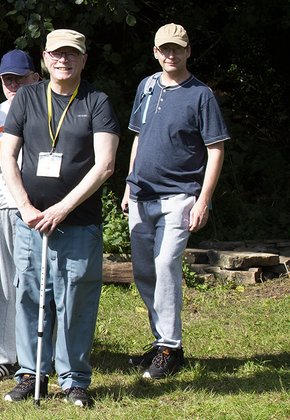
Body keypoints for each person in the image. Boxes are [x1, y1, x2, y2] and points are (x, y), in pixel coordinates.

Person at [0, 29, 119, 408]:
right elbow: (7, 157)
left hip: (79, 221)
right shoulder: (28, 98)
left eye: (71, 54)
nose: (63, 60)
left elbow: (105, 165)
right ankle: (31, 374)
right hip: (31, 221)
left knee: (76, 299)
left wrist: (62, 208)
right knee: (31, 295)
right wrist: (26, 208)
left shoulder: (97, 101)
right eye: (56, 53)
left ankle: (74, 379)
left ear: (83, 59)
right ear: (44, 57)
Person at [122, 23, 229, 380]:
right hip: (140, 196)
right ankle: (160, 344)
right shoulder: (147, 86)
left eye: (177, 49)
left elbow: (215, 150)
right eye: (164, 49)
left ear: (188, 52)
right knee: (144, 272)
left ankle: (170, 347)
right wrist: (127, 184)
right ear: (155, 52)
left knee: (166, 266)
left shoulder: (202, 94)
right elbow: (137, 138)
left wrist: (203, 200)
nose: (171, 55)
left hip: (179, 197)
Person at [0, 49, 40, 381]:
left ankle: (35, 356)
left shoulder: (47, 112)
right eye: (6, 79)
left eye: (19, 77)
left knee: (32, 284)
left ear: (35, 78)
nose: (12, 84)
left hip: (34, 207)